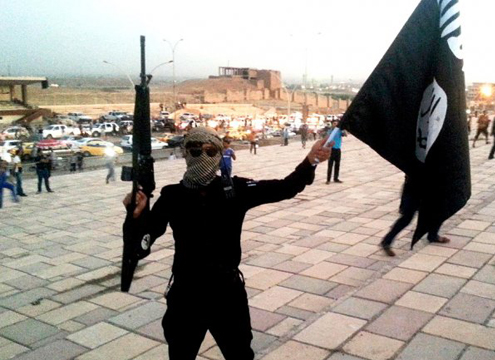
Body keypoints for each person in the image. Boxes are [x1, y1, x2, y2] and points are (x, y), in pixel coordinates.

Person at [122, 128, 332, 360]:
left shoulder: (234, 190)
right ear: (186, 153)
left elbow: (286, 187)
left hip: (226, 294)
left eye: (210, 151)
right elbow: (140, 247)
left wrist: (311, 160)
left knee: (240, 354)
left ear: (218, 154)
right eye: (194, 150)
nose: (201, 156)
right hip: (186, 296)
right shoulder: (173, 197)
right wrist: (135, 217)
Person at [380, 175, 450, 256]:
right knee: (406, 218)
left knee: (438, 211)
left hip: (432, 187)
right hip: (413, 188)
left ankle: (433, 235)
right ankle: (387, 241)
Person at [326, 120, 346, 184]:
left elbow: (345, 135)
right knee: (330, 165)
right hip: (331, 150)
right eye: (334, 123)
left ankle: (336, 178)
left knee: (337, 165)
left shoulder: (340, 130)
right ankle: (328, 179)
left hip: (338, 150)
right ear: (332, 124)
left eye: (337, 124)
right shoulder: (330, 131)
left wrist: (343, 129)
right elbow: (327, 139)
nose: (336, 125)